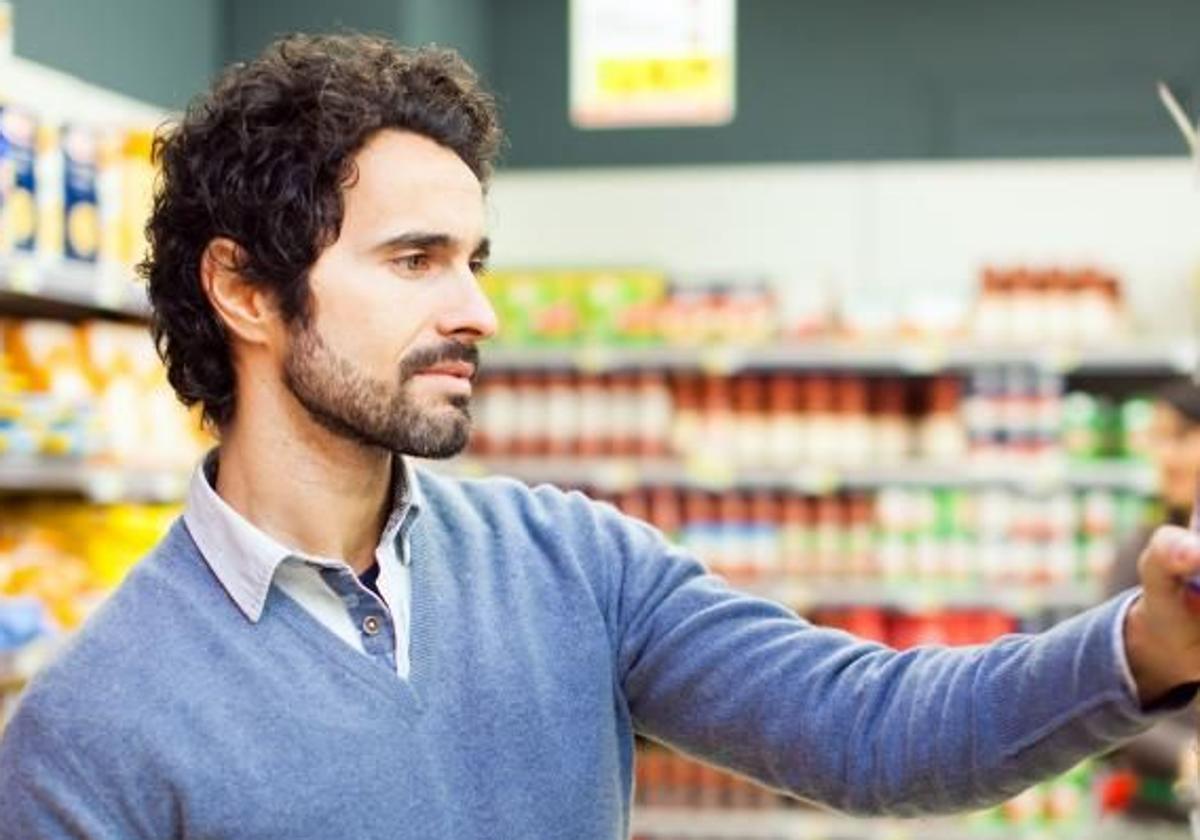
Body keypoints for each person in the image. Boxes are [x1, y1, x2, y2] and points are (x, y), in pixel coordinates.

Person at [2, 33, 1200, 840]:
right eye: (415, 261)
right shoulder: (93, 731)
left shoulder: (573, 563)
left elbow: (877, 729)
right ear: (246, 292)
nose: (476, 308)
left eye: (474, 261)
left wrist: (1151, 639)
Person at [1103, 381, 1200, 804]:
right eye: (1157, 439)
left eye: (1179, 437)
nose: (1164, 456)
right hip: (1155, 810)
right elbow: (1102, 690)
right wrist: (1182, 755)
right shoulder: (1142, 552)